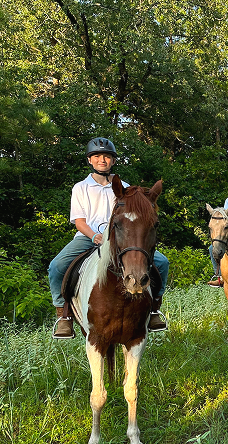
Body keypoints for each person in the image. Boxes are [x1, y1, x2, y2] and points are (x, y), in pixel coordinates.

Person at [48, 137, 170, 338]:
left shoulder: (125, 186)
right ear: (90, 160)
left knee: (162, 263)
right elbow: (79, 221)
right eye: (97, 156)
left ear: (113, 160)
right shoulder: (81, 188)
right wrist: (95, 235)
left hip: (120, 239)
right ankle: (64, 315)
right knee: (57, 267)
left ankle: (155, 310)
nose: (102, 160)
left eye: (107, 156)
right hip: (88, 237)